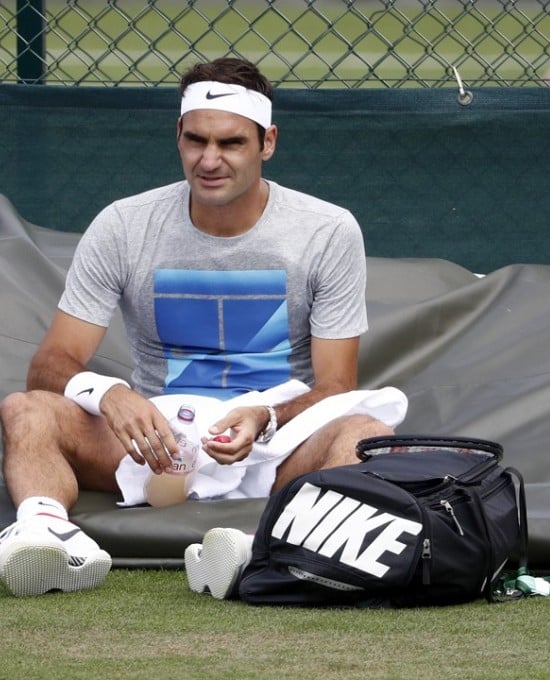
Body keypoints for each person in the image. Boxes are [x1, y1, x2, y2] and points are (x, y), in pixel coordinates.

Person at [0, 57, 408, 597]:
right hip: (155, 448)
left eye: (232, 144)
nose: (209, 160)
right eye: (196, 141)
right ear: (178, 135)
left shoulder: (327, 230)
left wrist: (264, 417)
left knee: (365, 436)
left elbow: (336, 386)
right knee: (23, 409)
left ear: (268, 143)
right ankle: (47, 537)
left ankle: (258, 547)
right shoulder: (124, 224)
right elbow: (49, 365)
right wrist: (111, 394)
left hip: (275, 445)